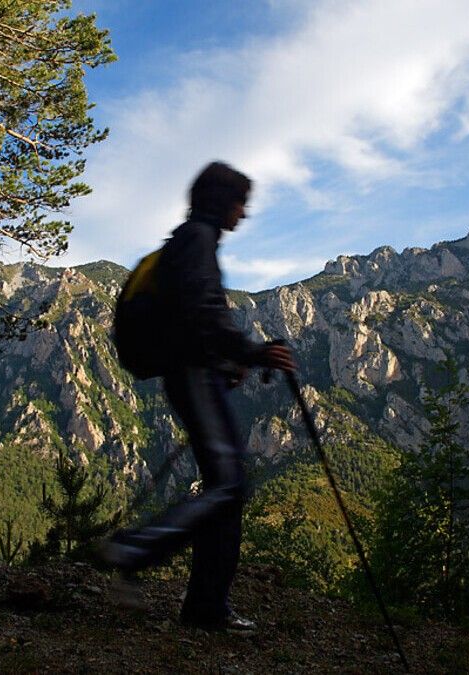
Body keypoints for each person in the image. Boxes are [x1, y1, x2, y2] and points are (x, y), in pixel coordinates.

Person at [101, 161, 296, 633]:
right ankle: (135, 549)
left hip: (197, 374)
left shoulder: (190, 241)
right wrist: (253, 350)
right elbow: (205, 311)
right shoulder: (198, 240)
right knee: (229, 487)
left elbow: (191, 318)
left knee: (226, 492)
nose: (244, 214)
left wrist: (229, 362)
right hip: (193, 379)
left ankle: (207, 607)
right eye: (240, 202)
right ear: (221, 201)